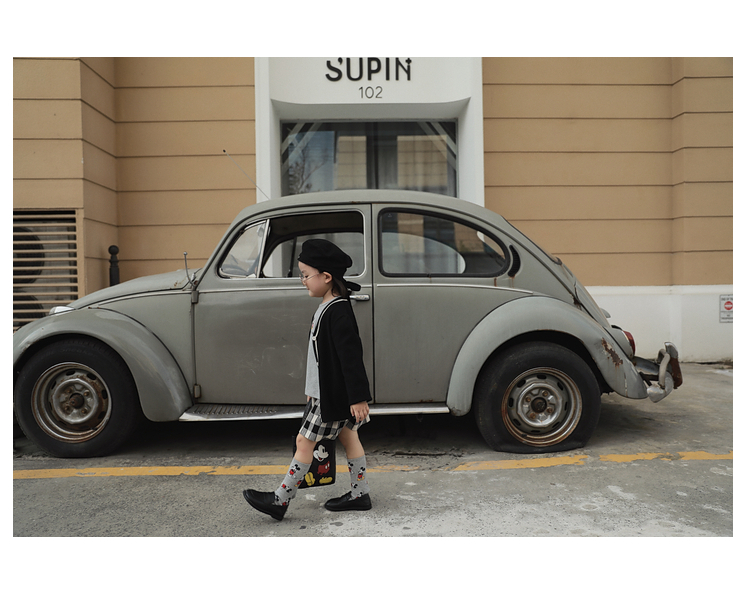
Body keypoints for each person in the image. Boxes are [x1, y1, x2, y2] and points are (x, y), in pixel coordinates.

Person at [243, 238, 373, 521]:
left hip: (333, 395)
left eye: (305, 275)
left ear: (326, 277)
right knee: (349, 437)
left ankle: (280, 500)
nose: (302, 281)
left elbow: (351, 358)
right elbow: (320, 357)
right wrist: (311, 389)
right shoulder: (328, 306)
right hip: (325, 392)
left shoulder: (338, 311)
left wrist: (358, 397)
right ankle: (360, 494)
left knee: (304, 441)